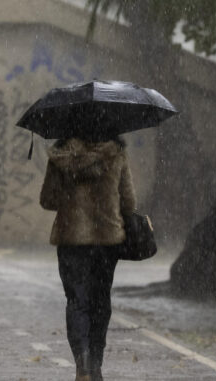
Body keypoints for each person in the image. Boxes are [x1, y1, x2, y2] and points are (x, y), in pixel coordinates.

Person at [40, 134, 136, 381]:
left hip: (72, 239)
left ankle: (82, 365)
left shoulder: (60, 156)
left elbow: (48, 200)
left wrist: (71, 194)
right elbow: (129, 203)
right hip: (107, 240)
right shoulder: (116, 153)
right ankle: (96, 365)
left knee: (77, 301)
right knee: (100, 300)